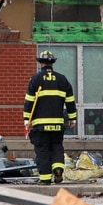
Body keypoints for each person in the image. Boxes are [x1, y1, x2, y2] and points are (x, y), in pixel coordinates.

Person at [23, 50, 77, 185]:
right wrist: (72, 118)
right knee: (57, 146)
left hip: (40, 125)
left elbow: (29, 101)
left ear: (40, 63)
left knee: (42, 150)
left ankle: (46, 179)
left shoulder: (35, 79)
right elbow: (70, 100)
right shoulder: (62, 79)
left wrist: (26, 120)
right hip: (58, 124)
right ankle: (58, 168)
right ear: (52, 63)